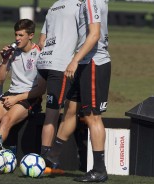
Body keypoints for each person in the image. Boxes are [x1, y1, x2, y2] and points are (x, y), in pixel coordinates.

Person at [44, 0, 111, 182]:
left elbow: (94, 34)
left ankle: (99, 169)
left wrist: (74, 60)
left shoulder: (90, 1)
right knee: (70, 110)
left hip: (93, 63)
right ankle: (51, 158)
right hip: (84, 63)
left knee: (92, 116)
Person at [8, 0, 82, 156]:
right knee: (53, 115)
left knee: (59, 108)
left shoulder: (54, 6)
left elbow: (41, 42)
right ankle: (46, 158)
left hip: (43, 62)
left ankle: (49, 155)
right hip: (60, 65)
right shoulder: (80, 6)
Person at [0, 19, 42, 142]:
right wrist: (4, 61)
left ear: (31, 36)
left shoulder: (40, 54)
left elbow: (41, 90)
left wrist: (16, 98)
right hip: (11, 93)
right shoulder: (12, 52)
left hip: (29, 96)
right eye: (16, 34)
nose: (17, 38)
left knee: (6, 119)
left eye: (21, 35)